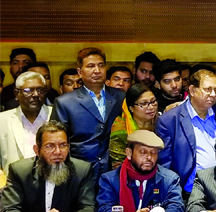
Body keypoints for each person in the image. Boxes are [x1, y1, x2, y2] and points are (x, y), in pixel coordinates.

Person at [0, 121, 95, 212]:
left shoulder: (82, 170)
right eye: (50, 146)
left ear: (68, 148)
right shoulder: (20, 171)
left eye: (63, 145)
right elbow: (7, 210)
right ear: (37, 150)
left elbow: (89, 208)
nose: (58, 152)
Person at [51, 48, 125, 181]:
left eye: (101, 65)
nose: (97, 70)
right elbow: (58, 140)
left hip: (114, 171)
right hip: (79, 172)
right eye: (91, 66)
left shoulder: (120, 97)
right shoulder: (65, 102)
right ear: (80, 72)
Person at [155, 69, 216, 196]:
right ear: (192, 90)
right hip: (188, 191)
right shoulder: (169, 120)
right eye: (208, 89)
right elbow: (164, 166)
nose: (213, 94)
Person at [97, 130, 184, 212]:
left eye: (153, 153)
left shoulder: (169, 179)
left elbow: (177, 208)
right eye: (143, 152)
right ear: (129, 153)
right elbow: (103, 210)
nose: (149, 157)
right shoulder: (110, 180)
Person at [0, 72, 52, 185]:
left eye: (40, 90)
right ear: (16, 93)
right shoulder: (2, 120)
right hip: (12, 187)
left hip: (51, 183)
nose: (35, 94)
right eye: (28, 90)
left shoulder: (56, 115)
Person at [109, 84, 158, 169]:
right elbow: (117, 165)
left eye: (153, 101)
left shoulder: (161, 123)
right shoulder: (121, 128)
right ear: (131, 108)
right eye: (144, 103)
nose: (151, 107)